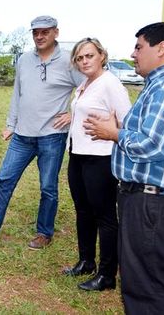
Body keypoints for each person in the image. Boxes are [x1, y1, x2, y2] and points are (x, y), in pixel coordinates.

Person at [84, 22, 164, 313]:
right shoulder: (161, 85)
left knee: (148, 285)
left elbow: (152, 145)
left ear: (161, 48)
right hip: (149, 200)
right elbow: (152, 132)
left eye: (139, 47)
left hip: (153, 203)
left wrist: (113, 133)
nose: (133, 54)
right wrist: (120, 128)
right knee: (141, 281)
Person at [0, 15, 84, 249]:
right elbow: (18, 94)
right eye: (35, 32)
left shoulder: (69, 61)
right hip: (22, 136)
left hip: (52, 137)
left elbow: (89, 86)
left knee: (48, 186)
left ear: (56, 32)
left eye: (45, 32)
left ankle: (44, 233)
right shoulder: (25, 60)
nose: (39, 36)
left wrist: (73, 114)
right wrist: (10, 124)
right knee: (4, 180)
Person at [63, 38, 131, 291]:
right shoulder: (86, 83)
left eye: (89, 56)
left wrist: (114, 129)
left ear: (102, 55)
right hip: (78, 154)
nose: (84, 62)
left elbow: (127, 121)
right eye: (79, 58)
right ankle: (86, 262)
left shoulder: (110, 83)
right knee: (83, 210)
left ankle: (107, 275)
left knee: (105, 216)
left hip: (100, 157)